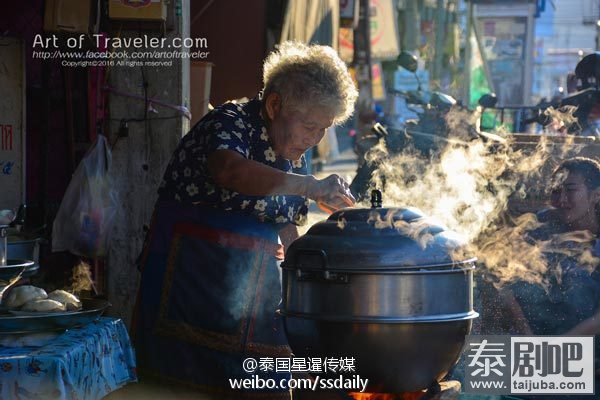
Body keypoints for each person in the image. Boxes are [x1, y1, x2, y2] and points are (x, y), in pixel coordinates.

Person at [131, 41, 358, 399]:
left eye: (322, 130)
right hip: (185, 292)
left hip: (251, 301)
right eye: (309, 126)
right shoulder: (228, 122)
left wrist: (314, 277)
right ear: (274, 105)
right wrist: (310, 187)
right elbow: (230, 171)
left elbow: (286, 229)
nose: (313, 139)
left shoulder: (294, 158)